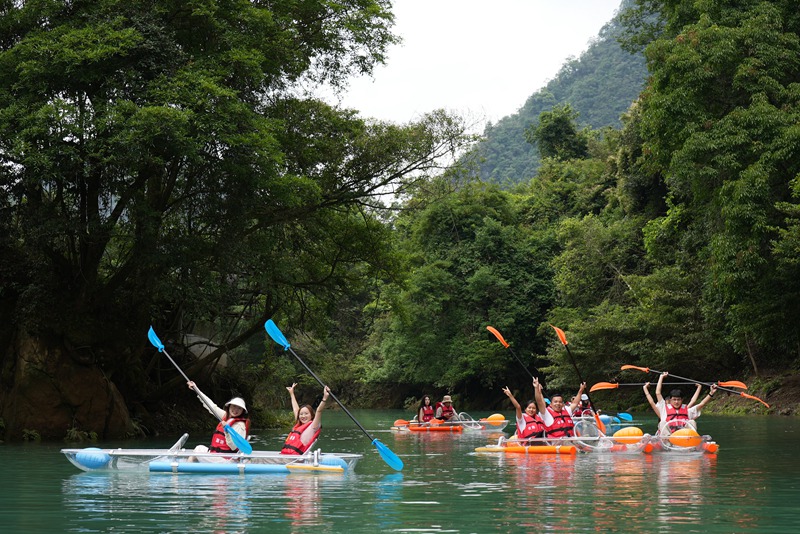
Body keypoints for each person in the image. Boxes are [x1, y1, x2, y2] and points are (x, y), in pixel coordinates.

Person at [187, 381, 250, 454]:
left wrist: (227, 431)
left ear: (242, 411)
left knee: (197, 451)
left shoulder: (240, 425)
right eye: (234, 406)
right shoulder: (225, 416)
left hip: (226, 459)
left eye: (239, 408)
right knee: (199, 448)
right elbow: (211, 406)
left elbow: (234, 447)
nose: (236, 410)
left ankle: (185, 465)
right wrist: (196, 389)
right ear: (229, 407)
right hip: (216, 454)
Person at [652, 372, 716, 435]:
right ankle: (668, 441)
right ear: (670, 400)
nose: (676, 402)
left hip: (683, 437)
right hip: (669, 437)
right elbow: (658, 393)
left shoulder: (687, 410)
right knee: (662, 422)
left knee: (692, 421)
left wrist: (711, 393)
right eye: (674, 399)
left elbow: (702, 404)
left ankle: (692, 441)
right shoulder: (664, 409)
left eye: (678, 399)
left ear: (682, 400)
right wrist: (661, 377)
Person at [281, 383, 330, 455]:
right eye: (301, 414)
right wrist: (291, 393)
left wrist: (325, 398)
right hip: (287, 456)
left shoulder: (314, 426)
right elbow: (295, 409)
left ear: (311, 415)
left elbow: (319, 410)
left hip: (296, 459)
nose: (303, 416)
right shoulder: (299, 424)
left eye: (306, 414)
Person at [503, 377, 548, 442]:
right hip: (528, 445)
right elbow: (518, 407)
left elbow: (541, 403)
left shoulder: (539, 417)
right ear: (525, 409)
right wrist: (510, 396)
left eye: (534, 408)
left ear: (536, 410)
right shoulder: (521, 419)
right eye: (529, 408)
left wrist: (538, 390)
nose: (531, 410)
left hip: (541, 444)